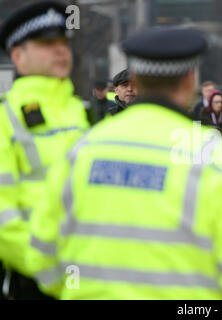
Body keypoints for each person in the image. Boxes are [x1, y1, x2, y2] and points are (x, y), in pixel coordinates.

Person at [27, 27, 222, 300]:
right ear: (189, 80)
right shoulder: (216, 158)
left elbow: (40, 257)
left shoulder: (83, 149)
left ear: (135, 82)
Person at [0, 1, 89, 299]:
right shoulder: (5, 118)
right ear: (18, 57)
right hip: (35, 281)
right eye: (47, 43)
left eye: (63, 42)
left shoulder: (77, 112)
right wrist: (48, 273)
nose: (60, 50)